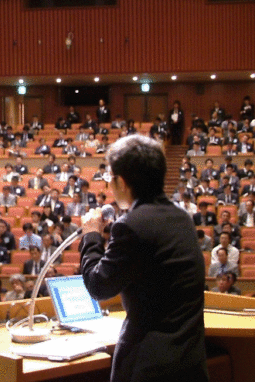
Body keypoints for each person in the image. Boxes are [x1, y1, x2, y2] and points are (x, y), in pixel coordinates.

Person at [79, 135, 208, 382]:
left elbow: (98, 286)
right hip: (189, 362)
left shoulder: (131, 225)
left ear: (122, 182)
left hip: (150, 367)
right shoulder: (181, 218)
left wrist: (91, 237)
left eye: (110, 179)